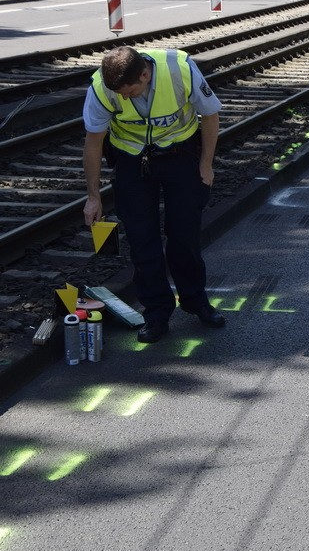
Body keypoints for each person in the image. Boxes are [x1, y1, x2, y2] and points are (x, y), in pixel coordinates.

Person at [82, 47, 226, 343]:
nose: (123, 98)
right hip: (132, 161)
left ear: (145, 75)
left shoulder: (180, 69)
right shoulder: (102, 86)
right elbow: (94, 142)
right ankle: (157, 312)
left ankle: (195, 301)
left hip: (181, 155)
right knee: (141, 239)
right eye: (119, 94)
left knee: (184, 235)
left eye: (129, 91)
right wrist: (93, 195)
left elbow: (210, 115)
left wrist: (206, 164)